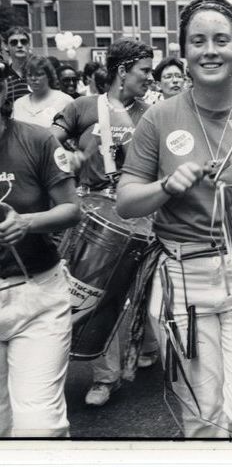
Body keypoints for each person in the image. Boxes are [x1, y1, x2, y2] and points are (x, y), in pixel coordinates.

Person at [116, 0, 232, 438]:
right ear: (185, 52)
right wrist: (164, 186)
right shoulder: (159, 118)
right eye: (198, 41)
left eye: (221, 39)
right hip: (181, 276)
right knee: (202, 417)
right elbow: (125, 200)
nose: (209, 50)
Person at [52, 38, 157, 406]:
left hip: (135, 215)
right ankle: (85, 370)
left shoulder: (150, 114)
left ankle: (109, 374)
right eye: (144, 70)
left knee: (119, 295)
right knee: (84, 293)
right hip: (89, 212)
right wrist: (69, 157)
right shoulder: (82, 107)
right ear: (122, 70)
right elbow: (48, 144)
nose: (150, 76)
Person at [0, 74, 80, 437]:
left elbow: (71, 210)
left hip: (38, 298)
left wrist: (27, 222)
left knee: (38, 427)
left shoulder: (38, 139)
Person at [12, 56, 73, 128]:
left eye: (38, 74)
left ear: (49, 76)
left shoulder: (65, 101)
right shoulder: (19, 104)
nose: (33, 78)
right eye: (29, 75)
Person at [2, 26, 32, 106]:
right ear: (6, 47)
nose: (19, 45)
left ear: (29, 45)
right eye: (14, 42)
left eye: (23, 41)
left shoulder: (40, 73)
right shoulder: (3, 77)